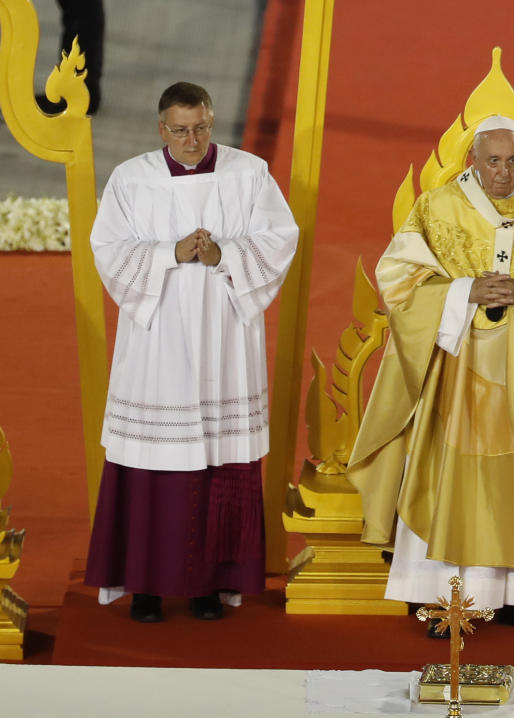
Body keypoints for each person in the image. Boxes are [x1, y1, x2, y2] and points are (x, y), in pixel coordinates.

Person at [348, 115, 514, 635]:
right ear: (473, 161)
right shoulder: (437, 207)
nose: (503, 173)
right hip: (457, 362)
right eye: (492, 162)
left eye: (512, 161)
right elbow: (398, 276)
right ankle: (439, 595)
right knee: (449, 474)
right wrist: (463, 292)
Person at [83, 82, 299, 622]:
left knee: (220, 462)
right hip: (158, 341)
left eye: (201, 127)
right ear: (162, 129)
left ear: (211, 121)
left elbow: (280, 238)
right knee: (153, 461)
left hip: (225, 336)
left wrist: (225, 254)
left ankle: (210, 585)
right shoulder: (133, 179)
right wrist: (168, 254)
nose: (192, 139)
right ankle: (147, 587)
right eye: (180, 130)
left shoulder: (247, 173)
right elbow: (107, 249)